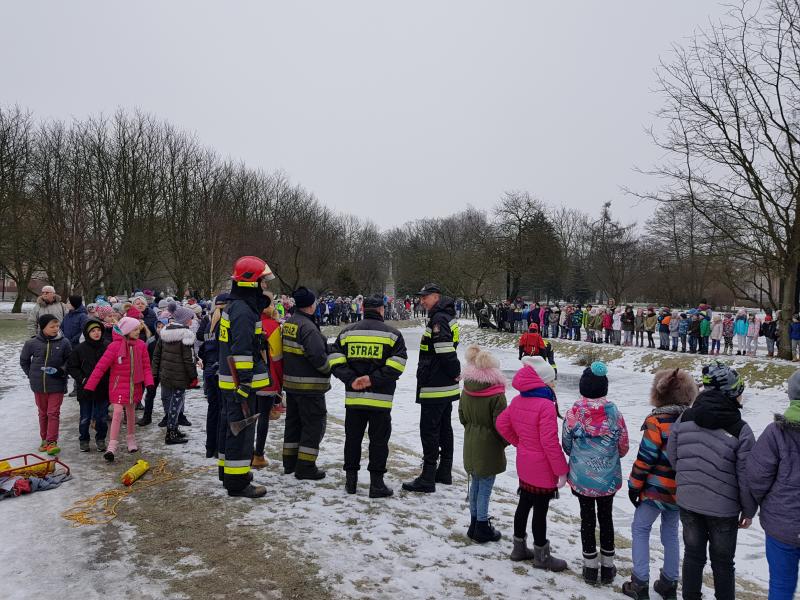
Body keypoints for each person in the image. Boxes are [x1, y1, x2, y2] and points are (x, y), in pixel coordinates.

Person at [666, 361, 757, 600]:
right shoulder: (741, 430)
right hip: (723, 509)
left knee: (693, 556)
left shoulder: (685, 418)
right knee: (723, 563)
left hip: (688, 502)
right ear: (731, 395)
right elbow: (746, 476)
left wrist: (687, 480)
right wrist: (748, 509)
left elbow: (673, 455)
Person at [622, 369, 697, 599]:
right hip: (679, 490)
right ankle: (669, 581)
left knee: (641, 529)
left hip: (654, 489)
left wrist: (634, 486)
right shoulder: (692, 421)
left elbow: (645, 459)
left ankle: (640, 581)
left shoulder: (657, 422)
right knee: (671, 533)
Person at [330, 294, 407, 497]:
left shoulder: (347, 332)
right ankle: (376, 484)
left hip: (354, 398)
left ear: (363, 309)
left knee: (352, 439)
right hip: (380, 400)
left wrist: (351, 379)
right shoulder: (393, 334)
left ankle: (351, 482)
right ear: (382, 310)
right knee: (379, 442)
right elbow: (397, 364)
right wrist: (373, 379)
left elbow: (334, 357)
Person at [496, 355, 568, 571]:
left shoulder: (518, 400)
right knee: (540, 510)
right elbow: (549, 442)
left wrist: (521, 443)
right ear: (543, 382)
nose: (554, 385)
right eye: (551, 381)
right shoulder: (545, 405)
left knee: (524, 503)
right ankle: (541, 556)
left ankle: (518, 548)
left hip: (525, 463)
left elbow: (501, 423)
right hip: (542, 467)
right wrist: (562, 470)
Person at [562, 361, 629, 585]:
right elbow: (623, 446)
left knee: (587, 519)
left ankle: (590, 568)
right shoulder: (615, 414)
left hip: (582, 477)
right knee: (606, 518)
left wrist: (581, 457)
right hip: (607, 477)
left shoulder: (573, 413)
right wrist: (608, 457)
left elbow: (567, 444)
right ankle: (608, 568)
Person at [217, 256, 274, 497]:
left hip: (233, 381)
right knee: (241, 431)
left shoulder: (239, 306)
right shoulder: (242, 310)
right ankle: (237, 482)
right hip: (239, 384)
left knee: (230, 428)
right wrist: (245, 383)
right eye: (262, 281)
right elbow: (241, 351)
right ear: (251, 283)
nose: (265, 286)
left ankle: (228, 473)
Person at [747, 370, 800, 600]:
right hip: (783, 520)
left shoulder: (775, 432)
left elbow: (757, 477)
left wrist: (763, 503)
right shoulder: (776, 432)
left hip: (781, 522)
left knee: (780, 586)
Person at [403, 283, 461, 493]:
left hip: (435, 385)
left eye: (425, 297)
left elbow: (444, 350)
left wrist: (455, 370)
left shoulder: (438, 319)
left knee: (429, 431)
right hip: (444, 386)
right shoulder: (445, 316)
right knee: (445, 429)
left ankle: (427, 477)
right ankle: (444, 472)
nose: (422, 301)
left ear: (436, 296)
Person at [84, 316, 154, 462]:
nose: (137, 332)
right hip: (118, 386)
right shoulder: (114, 347)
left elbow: (147, 367)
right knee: (117, 413)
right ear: (127, 330)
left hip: (135, 387)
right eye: (134, 329)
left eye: (138, 329)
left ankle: (131, 439)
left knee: (130, 413)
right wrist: (90, 386)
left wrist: (149, 384)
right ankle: (112, 445)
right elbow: (101, 367)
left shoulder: (141, 345)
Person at [281, 286, 333, 480]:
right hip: (310, 388)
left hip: (292, 385)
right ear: (310, 305)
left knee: (293, 424)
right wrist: (330, 369)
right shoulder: (308, 327)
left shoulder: (290, 323)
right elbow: (318, 358)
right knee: (313, 426)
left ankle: (290, 462)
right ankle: (306, 466)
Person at [458, 345, 507, 543]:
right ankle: (481, 525)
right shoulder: (497, 395)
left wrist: (472, 430)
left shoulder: (467, 389)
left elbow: (462, 416)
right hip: (489, 444)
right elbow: (502, 424)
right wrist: (505, 442)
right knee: (485, 485)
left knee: (476, 483)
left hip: (471, 441)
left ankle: (474, 523)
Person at [20, 315, 72, 455]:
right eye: (52, 326)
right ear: (43, 327)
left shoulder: (64, 342)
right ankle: (44, 439)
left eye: (57, 326)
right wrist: (31, 375)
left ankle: (51, 442)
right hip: (39, 385)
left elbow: (70, 361)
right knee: (43, 413)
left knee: (53, 413)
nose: (56, 329)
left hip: (57, 384)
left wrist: (61, 371)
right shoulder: (32, 343)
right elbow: (24, 360)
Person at [152, 306, 197, 445]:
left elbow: (157, 355)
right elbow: (188, 359)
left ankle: (174, 429)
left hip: (166, 374)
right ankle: (171, 433)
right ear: (184, 319)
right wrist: (193, 376)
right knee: (176, 404)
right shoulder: (186, 335)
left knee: (171, 401)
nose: (192, 320)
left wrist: (156, 373)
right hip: (180, 376)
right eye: (190, 318)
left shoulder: (165, 332)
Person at [66, 319, 110, 453]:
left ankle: (100, 439)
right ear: (87, 333)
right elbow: (72, 367)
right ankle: (84, 439)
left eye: (98, 330)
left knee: (102, 417)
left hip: (103, 389)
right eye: (93, 331)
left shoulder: (107, 346)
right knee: (85, 417)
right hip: (85, 390)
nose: (96, 333)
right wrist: (82, 379)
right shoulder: (80, 349)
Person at [252, 292, 284, 469]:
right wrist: (279, 385)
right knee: (263, 417)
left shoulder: (248, 321)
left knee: (249, 416)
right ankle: (258, 455)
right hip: (267, 379)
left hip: (246, 378)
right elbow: (278, 360)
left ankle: (246, 451)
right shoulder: (273, 326)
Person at [197, 294, 229, 458]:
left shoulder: (210, 324)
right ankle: (219, 448)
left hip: (209, 370)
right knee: (223, 411)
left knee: (213, 410)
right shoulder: (225, 324)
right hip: (220, 370)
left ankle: (211, 447)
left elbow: (203, 347)